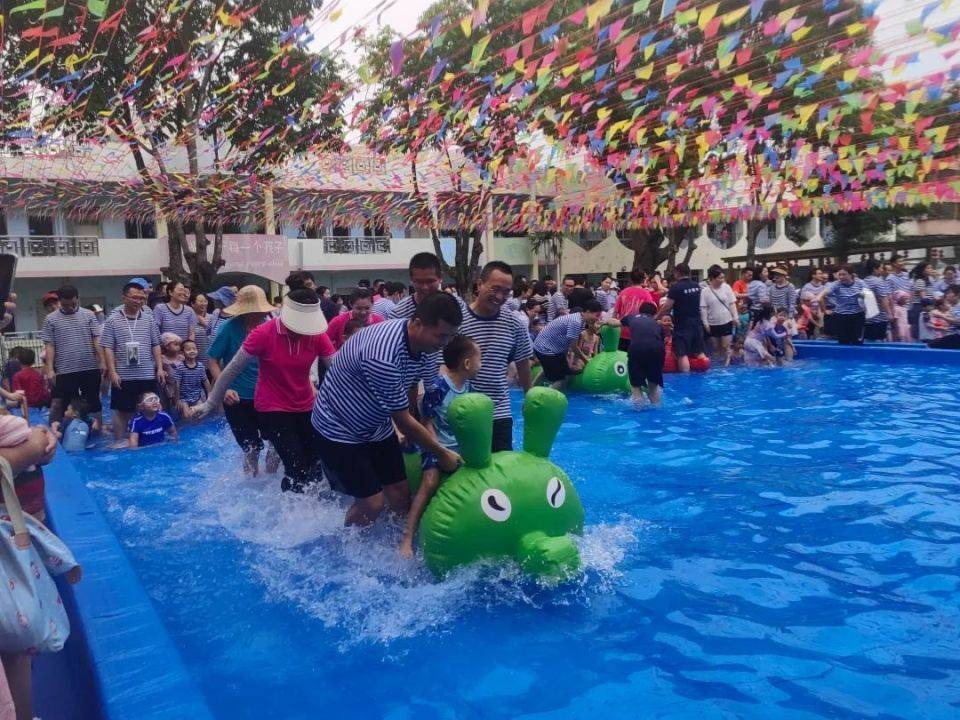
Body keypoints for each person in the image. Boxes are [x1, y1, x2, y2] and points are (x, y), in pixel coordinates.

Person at [313, 292, 464, 527]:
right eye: (440, 335)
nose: (444, 343)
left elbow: (416, 388)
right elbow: (402, 418)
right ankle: (346, 547)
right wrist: (441, 453)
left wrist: (420, 426)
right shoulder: (383, 355)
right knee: (372, 504)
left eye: (450, 336)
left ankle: (397, 544)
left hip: (376, 424)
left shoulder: (426, 346)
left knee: (400, 495)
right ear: (417, 323)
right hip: (337, 429)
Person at [196, 289, 335, 493]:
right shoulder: (263, 333)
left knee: (314, 462)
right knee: (294, 464)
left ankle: (310, 506)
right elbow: (231, 369)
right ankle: (288, 512)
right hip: (273, 407)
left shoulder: (317, 335)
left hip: (305, 405)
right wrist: (209, 403)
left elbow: (339, 369)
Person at [398, 335, 481, 557]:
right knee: (430, 481)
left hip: (460, 448)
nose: (481, 364)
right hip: (436, 444)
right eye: (479, 358)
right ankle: (407, 537)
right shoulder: (439, 387)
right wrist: (440, 451)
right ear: (466, 363)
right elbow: (427, 423)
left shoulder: (469, 387)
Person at [458, 261, 533, 451]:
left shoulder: (514, 323)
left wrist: (529, 398)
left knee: (499, 470)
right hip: (462, 408)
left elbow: (523, 363)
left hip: (499, 410)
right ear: (479, 284)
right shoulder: (458, 321)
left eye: (506, 292)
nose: (500, 297)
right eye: (495, 289)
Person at [205, 285, 277, 476]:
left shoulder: (271, 326)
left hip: (268, 397)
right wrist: (224, 388)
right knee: (251, 448)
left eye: (258, 311)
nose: (256, 315)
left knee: (276, 445)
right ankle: (252, 484)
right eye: (251, 311)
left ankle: (270, 482)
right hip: (237, 398)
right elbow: (212, 360)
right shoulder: (228, 328)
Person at [389, 252, 464, 393]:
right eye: (419, 282)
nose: (424, 287)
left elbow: (464, 343)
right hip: (413, 386)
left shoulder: (456, 306)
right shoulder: (398, 313)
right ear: (411, 280)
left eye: (430, 281)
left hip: (453, 383)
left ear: (440, 278)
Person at [100, 282, 165, 445]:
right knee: (123, 410)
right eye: (135, 297)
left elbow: (156, 344)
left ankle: (150, 438)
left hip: (146, 372)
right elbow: (108, 347)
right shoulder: (113, 320)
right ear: (124, 297)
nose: (139, 301)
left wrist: (160, 368)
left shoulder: (149, 319)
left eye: (142, 298)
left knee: (151, 407)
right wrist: (112, 371)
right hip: (123, 374)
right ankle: (120, 441)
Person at [534, 300, 610, 390]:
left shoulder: (579, 319)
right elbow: (573, 346)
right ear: (588, 312)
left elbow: (567, 342)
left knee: (559, 371)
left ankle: (530, 388)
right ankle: (547, 395)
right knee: (561, 379)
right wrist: (586, 360)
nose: (597, 319)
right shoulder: (576, 322)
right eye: (597, 315)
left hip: (548, 347)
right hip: (546, 350)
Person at [656, 263, 707, 373]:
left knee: (682, 353)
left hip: (683, 326)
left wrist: (657, 317)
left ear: (677, 273)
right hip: (697, 324)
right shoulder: (696, 286)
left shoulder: (676, 288)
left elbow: (667, 307)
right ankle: (705, 372)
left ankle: (685, 379)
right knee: (699, 352)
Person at [621, 302, 664, 406]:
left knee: (636, 385)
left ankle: (638, 410)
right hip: (657, 350)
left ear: (639, 311)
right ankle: (657, 408)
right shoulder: (657, 323)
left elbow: (617, 323)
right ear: (654, 314)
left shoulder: (631, 317)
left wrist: (606, 322)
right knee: (653, 386)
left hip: (637, 350)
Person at [817, 265, 867, 345]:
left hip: (858, 316)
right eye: (839, 274)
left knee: (857, 341)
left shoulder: (860, 283)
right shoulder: (836, 284)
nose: (841, 277)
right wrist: (824, 311)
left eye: (844, 274)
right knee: (843, 341)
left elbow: (869, 295)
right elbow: (819, 298)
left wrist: (863, 297)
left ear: (851, 275)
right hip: (842, 316)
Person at [699, 266, 739, 366]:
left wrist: (735, 317)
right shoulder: (705, 291)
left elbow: (732, 303)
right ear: (712, 278)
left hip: (726, 321)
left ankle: (726, 366)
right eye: (720, 278)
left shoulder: (727, 287)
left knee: (726, 346)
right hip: (712, 323)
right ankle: (717, 366)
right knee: (716, 347)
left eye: (723, 277)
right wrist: (705, 323)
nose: (722, 280)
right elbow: (703, 308)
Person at [613, 269, 655, 351]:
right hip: (639, 332)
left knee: (623, 359)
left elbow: (615, 312)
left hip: (622, 331)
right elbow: (650, 313)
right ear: (643, 279)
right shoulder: (646, 294)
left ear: (631, 279)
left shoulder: (623, 292)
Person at [174, 339, 209, 414]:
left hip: (197, 396)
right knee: (187, 415)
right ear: (182, 353)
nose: (192, 351)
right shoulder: (180, 367)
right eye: (188, 349)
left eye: (194, 349)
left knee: (201, 414)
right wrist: (177, 400)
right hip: (184, 398)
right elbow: (176, 383)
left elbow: (205, 381)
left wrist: (210, 394)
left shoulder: (200, 366)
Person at [862, 259, 893, 342]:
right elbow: (883, 299)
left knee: (869, 341)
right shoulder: (878, 282)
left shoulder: (863, 282)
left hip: (867, 318)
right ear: (874, 269)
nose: (882, 270)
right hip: (880, 318)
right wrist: (889, 314)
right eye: (881, 268)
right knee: (879, 341)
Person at [887, 255, 914, 341]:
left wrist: (909, 300)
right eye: (900, 261)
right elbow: (889, 295)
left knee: (908, 332)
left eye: (903, 261)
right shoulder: (889, 278)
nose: (903, 263)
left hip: (908, 307)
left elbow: (911, 289)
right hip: (897, 309)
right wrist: (892, 311)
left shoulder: (907, 275)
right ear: (894, 263)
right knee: (898, 332)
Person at [189, 291, 212, 362]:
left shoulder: (213, 317)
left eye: (205, 301)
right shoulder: (189, 318)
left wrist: (205, 324)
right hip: (195, 362)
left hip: (212, 361)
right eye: (200, 301)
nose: (203, 304)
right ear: (192, 304)